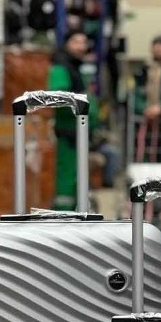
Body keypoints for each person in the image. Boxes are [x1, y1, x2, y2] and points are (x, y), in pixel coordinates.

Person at [48, 30, 119, 208]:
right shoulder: (61, 67)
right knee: (67, 177)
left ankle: (75, 212)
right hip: (69, 134)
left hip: (80, 133)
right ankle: (63, 215)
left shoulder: (76, 67)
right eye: (76, 42)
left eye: (83, 42)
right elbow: (59, 99)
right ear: (66, 44)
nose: (81, 46)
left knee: (77, 176)